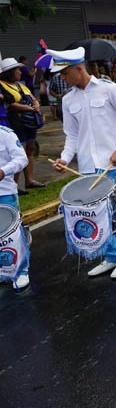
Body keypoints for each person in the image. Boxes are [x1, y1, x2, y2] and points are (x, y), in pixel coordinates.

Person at [49, 47, 116, 279]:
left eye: (65, 74)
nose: (62, 79)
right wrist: (64, 158)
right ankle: (110, 257)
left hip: (110, 164)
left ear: (78, 69)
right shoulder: (68, 99)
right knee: (97, 214)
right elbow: (71, 135)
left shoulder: (108, 89)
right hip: (87, 167)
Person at [0, 58, 44, 191]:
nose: (20, 72)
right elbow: (10, 104)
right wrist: (30, 108)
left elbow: (33, 97)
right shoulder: (2, 85)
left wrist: (36, 105)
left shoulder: (20, 85)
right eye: (18, 70)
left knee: (30, 149)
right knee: (17, 152)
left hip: (30, 122)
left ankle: (29, 180)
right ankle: (15, 184)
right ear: (10, 72)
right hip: (16, 122)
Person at [0, 124, 30, 291]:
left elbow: (22, 159)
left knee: (12, 234)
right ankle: (4, 268)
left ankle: (21, 271)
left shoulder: (6, 134)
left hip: (4, 192)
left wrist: (4, 171)